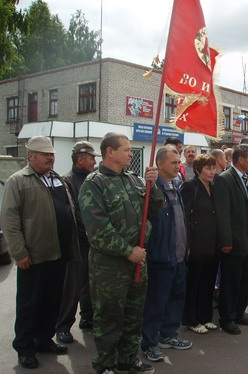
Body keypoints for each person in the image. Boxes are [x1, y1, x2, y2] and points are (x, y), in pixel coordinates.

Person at [79, 132, 162, 374]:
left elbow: (154, 209)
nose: (130, 153)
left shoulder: (134, 180)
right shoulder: (94, 184)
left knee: (133, 315)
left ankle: (128, 360)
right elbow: (97, 229)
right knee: (109, 318)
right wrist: (128, 251)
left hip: (137, 262)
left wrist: (152, 186)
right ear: (110, 152)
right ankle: (105, 365)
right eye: (126, 149)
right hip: (110, 266)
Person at [1, 136, 80, 369]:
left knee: (52, 301)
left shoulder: (57, 179)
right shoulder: (18, 181)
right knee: (29, 303)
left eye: (51, 154)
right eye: (44, 154)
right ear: (31, 156)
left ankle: (44, 339)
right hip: (34, 256)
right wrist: (19, 252)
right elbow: (10, 219)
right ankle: (25, 348)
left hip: (59, 253)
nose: (50, 158)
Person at [141, 146, 193, 362]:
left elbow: (181, 219)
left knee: (176, 298)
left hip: (179, 256)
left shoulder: (176, 185)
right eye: (173, 162)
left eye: (177, 161)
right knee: (156, 302)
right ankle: (150, 343)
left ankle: (168, 334)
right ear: (160, 163)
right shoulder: (152, 188)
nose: (177, 165)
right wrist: (149, 185)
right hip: (161, 257)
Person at [213, 144, 248, 335]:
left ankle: (239, 312)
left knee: (245, 277)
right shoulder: (225, 179)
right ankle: (227, 318)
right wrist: (226, 241)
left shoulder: (245, 177)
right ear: (241, 160)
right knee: (231, 279)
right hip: (234, 237)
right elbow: (222, 214)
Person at [56, 141, 100, 345]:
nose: (94, 161)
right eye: (91, 158)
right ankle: (63, 326)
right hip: (77, 242)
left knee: (91, 285)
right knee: (72, 287)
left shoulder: (93, 179)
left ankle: (87, 318)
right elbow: (74, 214)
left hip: (94, 241)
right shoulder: (66, 181)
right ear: (80, 159)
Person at [181, 154, 219, 334]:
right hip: (196, 243)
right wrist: (187, 243)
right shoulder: (190, 186)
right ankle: (191, 319)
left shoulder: (213, 187)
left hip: (212, 243)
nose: (212, 172)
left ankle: (205, 317)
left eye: (214, 168)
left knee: (208, 281)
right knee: (194, 282)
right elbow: (184, 216)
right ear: (198, 169)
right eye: (208, 168)